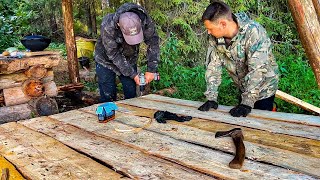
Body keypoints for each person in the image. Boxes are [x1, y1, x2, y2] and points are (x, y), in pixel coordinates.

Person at [198, 1, 279, 117]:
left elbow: (257, 70)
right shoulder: (215, 38)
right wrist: (211, 97)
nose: (208, 31)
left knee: (260, 126)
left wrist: (247, 102)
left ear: (223, 24)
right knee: (243, 122)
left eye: (210, 28)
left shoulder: (254, 32)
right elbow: (213, 66)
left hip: (264, 89)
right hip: (243, 86)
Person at [94, 3, 160, 102]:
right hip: (105, 60)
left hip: (129, 59)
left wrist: (151, 70)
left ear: (140, 22)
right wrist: (133, 74)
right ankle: (110, 114)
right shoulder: (108, 25)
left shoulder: (145, 21)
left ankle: (131, 115)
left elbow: (153, 42)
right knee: (108, 95)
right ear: (118, 25)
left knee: (130, 92)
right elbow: (113, 54)